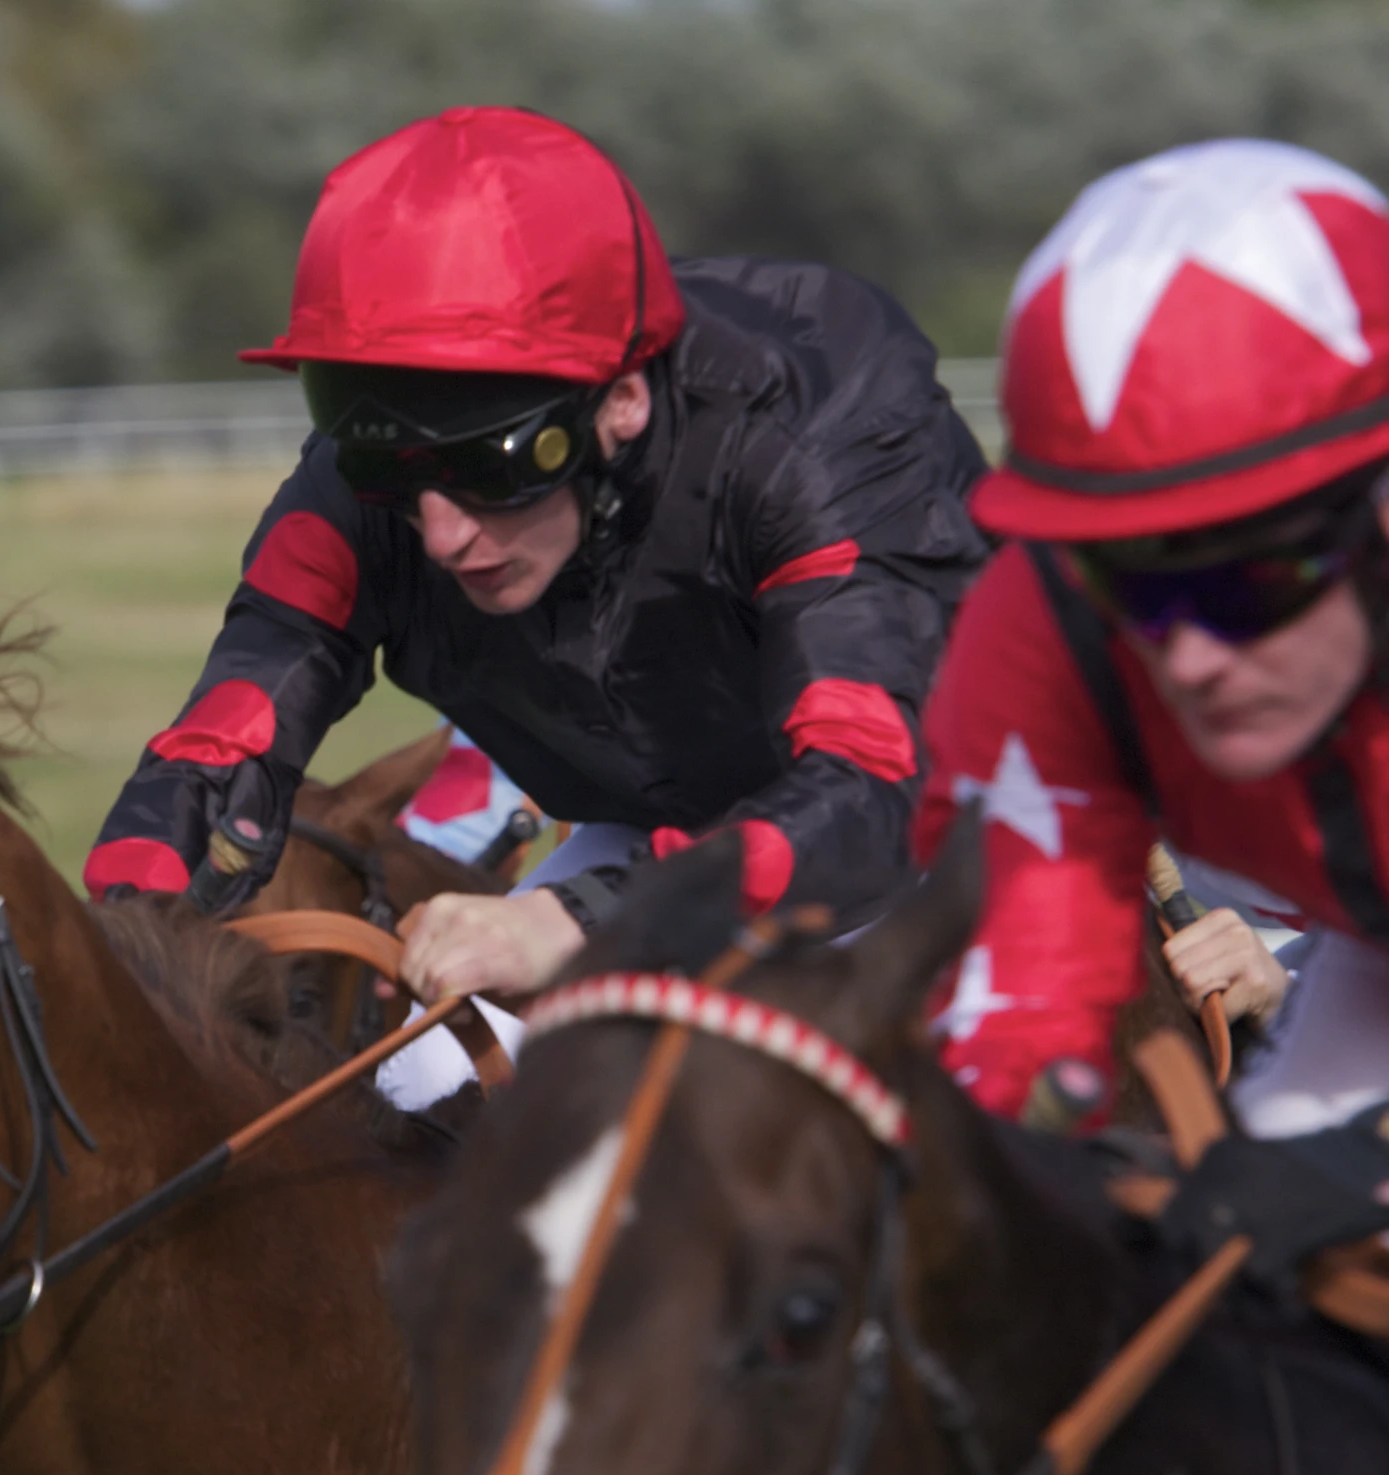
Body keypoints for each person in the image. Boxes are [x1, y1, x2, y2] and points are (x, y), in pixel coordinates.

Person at [83, 106, 990, 1023]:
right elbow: (214, 751)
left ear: (622, 399)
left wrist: (580, 917)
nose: (442, 537)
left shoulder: (814, 435)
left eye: (489, 468)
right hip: (660, 835)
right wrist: (114, 937)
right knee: (436, 1105)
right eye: (389, 468)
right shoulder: (361, 489)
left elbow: (872, 782)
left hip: (951, 822)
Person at [916, 138, 1389, 1136]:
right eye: (1128, 584)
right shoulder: (1036, 628)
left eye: (1252, 579)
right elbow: (1015, 1025)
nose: (1189, 660)